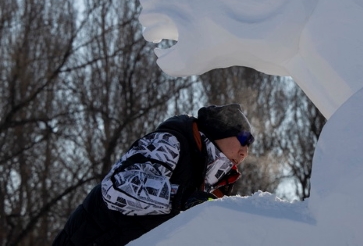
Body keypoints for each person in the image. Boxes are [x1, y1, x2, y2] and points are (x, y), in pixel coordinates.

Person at [53, 103, 254, 246]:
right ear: (220, 130)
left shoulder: (212, 181)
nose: (245, 152)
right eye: (244, 139)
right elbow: (120, 186)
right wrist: (183, 198)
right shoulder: (170, 142)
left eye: (250, 144)